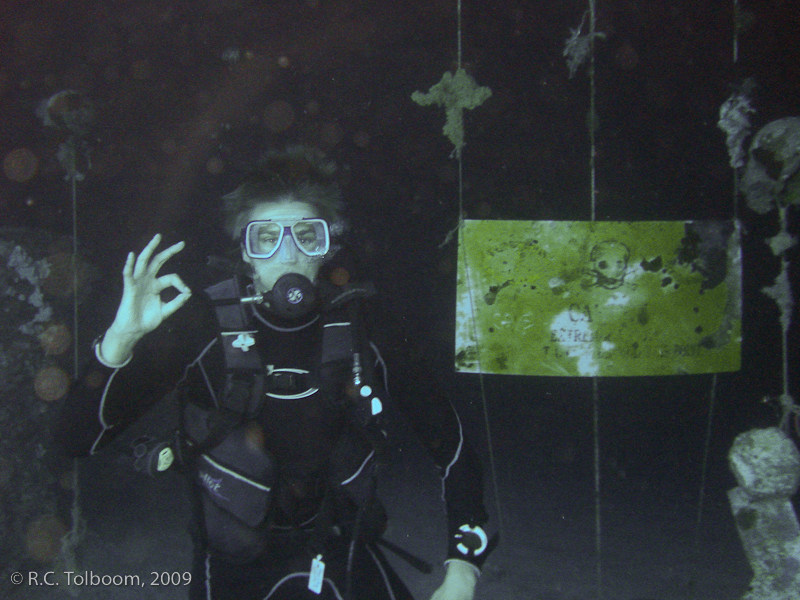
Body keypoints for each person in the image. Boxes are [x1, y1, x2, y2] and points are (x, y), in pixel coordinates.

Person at [57, 146, 491, 600]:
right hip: (230, 568)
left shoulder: (366, 328)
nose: (288, 254)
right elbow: (76, 440)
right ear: (244, 251)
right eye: (266, 238)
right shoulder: (201, 328)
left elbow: (454, 448)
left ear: (327, 246)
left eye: (307, 235)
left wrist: (463, 570)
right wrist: (118, 342)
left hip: (340, 550)